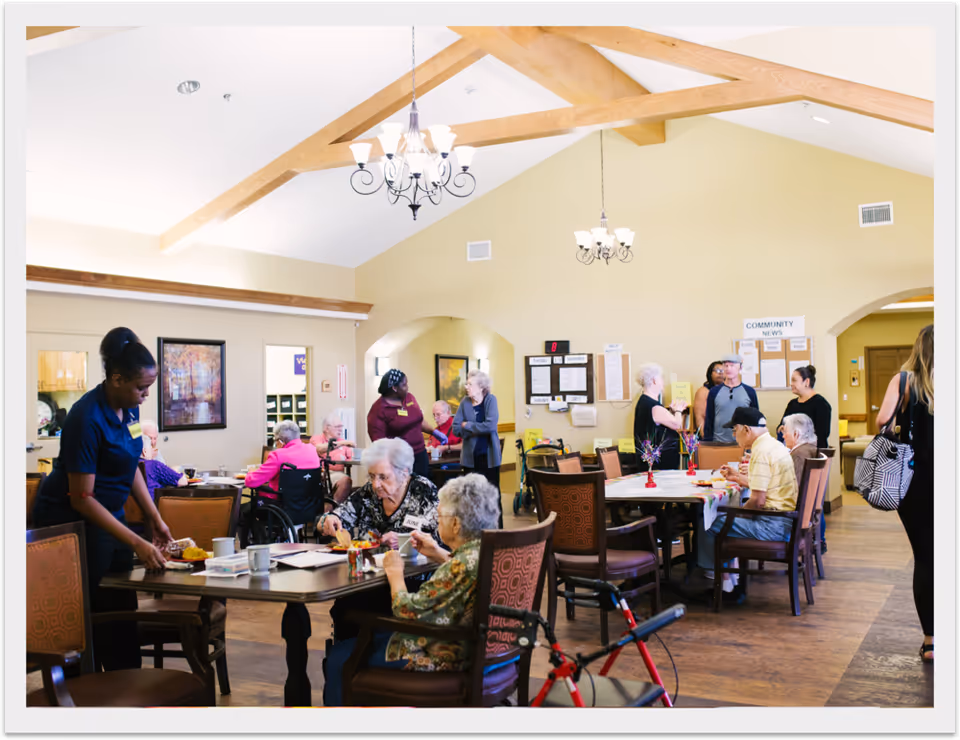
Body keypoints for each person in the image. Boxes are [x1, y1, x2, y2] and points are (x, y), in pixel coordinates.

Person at [31, 327, 174, 672]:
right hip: (70, 520)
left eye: (149, 388)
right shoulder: (85, 418)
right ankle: (85, 689)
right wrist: (136, 540)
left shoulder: (134, 414)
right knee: (89, 609)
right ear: (116, 378)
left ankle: (127, 679)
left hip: (107, 513)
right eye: (141, 388)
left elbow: (132, 466)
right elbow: (82, 498)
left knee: (120, 602)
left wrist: (154, 517)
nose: (145, 396)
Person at [322, 473, 501, 705]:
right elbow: (466, 572)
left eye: (440, 516)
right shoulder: (486, 553)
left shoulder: (458, 566)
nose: (437, 521)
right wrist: (438, 552)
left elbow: (407, 612)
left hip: (443, 654)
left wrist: (395, 573)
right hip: (493, 654)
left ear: (456, 524)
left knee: (340, 656)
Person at [318, 438, 440, 641]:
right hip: (368, 577)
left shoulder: (423, 491)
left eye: (384, 477)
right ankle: (347, 661)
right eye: (372, 476)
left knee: (357, 605)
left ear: (404, 472)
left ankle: (369, 658)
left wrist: (406, 540)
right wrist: (329, 519)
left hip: (410, 579)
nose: (376, 484)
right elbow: (341, 515)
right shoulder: (368, 493)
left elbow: (437, 539)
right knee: (344, 605)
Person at [696, 407, 798, 603]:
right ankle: (732, 578)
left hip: (772, 525)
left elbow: (758, 501)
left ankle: (724, 585)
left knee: (709, 522)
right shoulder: (775, 446)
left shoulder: (761, 452)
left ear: (746, 430)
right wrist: (738, 478)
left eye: (734, 430)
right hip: (785, 521)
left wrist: (739, 514)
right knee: (723, 518)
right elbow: (767, 487)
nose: (734, 436)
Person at [875, 324, 933, 663]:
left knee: (926, 557)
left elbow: (883, 420)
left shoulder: (903, 380)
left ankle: (931, 641)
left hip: (912, 481)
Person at [368, 369, 447, 479]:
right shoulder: (379, 410)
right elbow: (379, 443)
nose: (407, 387)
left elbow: (418, 420)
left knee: (421, 488)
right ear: (394, 388)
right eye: (404, 385)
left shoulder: (409, 397)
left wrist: (434, 432)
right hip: (399, 460)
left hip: (419, 453)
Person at [452, 369, 503, 528]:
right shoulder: (464, 403)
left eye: (470, 384)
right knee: (471, 497)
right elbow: (455, 428)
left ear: (481, 386)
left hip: (489, 458)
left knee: (492, 496)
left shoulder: (490, 400)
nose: (467, 387)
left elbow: (490, 426)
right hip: (469, 459)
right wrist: (473, 428)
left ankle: (496, 531)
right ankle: (474, 531)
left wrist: (468, 425)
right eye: (466, 384)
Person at [245, 420, 320, 500]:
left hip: (280, 505)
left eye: (275, 441)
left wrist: (251, 472)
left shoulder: (278, 455)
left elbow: (251, 482)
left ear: (281, 442)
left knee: (244, 508)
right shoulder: (312, 450)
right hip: (308, 505)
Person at [633, 363, 688, 471]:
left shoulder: (644, 402)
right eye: (661, 378)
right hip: (659, 467)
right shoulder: (653, 406)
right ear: (654, 380)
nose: (663, 382)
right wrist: (678, 410)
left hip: (654, 463)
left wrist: (672, 412)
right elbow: (677, 424)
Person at [703, 353, 759, 443]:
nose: (728, 369)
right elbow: (709, 419)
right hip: (718, 443)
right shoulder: (714, 392)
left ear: (740, 368)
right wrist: (707, 442)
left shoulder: (749, 392)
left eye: (732, 365)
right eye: (726, 366)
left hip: (743, 444)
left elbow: (755, 420)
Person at [777, 366, 832, 449]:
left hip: (813, 454)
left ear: (806, 382)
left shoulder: (821, 404)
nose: (791, 384)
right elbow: (781, 427)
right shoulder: (792, 404)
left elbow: (822, 435)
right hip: (791, 451)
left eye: (794, 380)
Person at [310, 412, 355, 504]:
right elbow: (319, 449)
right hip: (321, 473)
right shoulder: (316, 438)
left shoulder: (343, 442)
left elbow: (351, 459)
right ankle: (332, 511)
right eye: (337, 427)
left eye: (341, 427)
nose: (340, 430)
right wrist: (343, 443)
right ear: (326, 428)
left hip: (338, 474)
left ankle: (332, 509)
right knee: (345, 481)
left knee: (347, 481)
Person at [782, 413, 819, 486]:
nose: (783, 436)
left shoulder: (798, 454)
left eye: (786, 432)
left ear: (796, 434)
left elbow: (795, 488)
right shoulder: (810, 447)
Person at [693, 360, 724, 433]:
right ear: (710, 374)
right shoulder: (703, 391)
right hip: (711, 434)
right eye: (717, 370)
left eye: (723, 371)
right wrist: (705, 437)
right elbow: (700, 417)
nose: (720, 373)